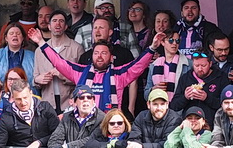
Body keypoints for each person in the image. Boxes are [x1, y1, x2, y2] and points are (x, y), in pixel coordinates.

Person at [29, 26, 164, 113]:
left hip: (110, 126)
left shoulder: (119, 74)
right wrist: (41, 42)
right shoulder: (80, 72)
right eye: (96, 53)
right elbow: (58, 61)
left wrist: (152, 48)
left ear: (112, 58)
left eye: (104, 53)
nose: (99, 56)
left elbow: (138, 65)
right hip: (83, 125)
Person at [34, 10, 84, 113]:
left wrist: (63, 75)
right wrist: (38, 80)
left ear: (66, 26)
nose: (58, 24)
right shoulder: (39, 50)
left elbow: (82, 79)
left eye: (61, 21)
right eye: (54, 21)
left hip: (69, 102)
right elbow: (35, 79)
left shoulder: (76, 48)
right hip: (47, 102)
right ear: (49, 26)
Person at [170, 51, 230, 125]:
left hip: (212, 124)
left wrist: (207, 98)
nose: (200, 69)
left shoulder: (221, 77)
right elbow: (174, 106)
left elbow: (226, 104)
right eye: (196, 65)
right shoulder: (185, 78)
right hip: (189, 124)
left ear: (210, 64)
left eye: (203, 65)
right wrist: (185, 97)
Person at [144, 29, 190, 102]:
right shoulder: (154, 65)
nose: (174, 43)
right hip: (158, 108)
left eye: (177, 41)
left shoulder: (187, 64)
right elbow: (146, 95)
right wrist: (153, 89)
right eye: (171, 40)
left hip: (179, 109)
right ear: (162, 42)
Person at [209, 32, 233, 98]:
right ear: (211, 47)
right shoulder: (205, 64)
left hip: (231, 103)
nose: (224, 53)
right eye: (220, 50)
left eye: (226, 49)